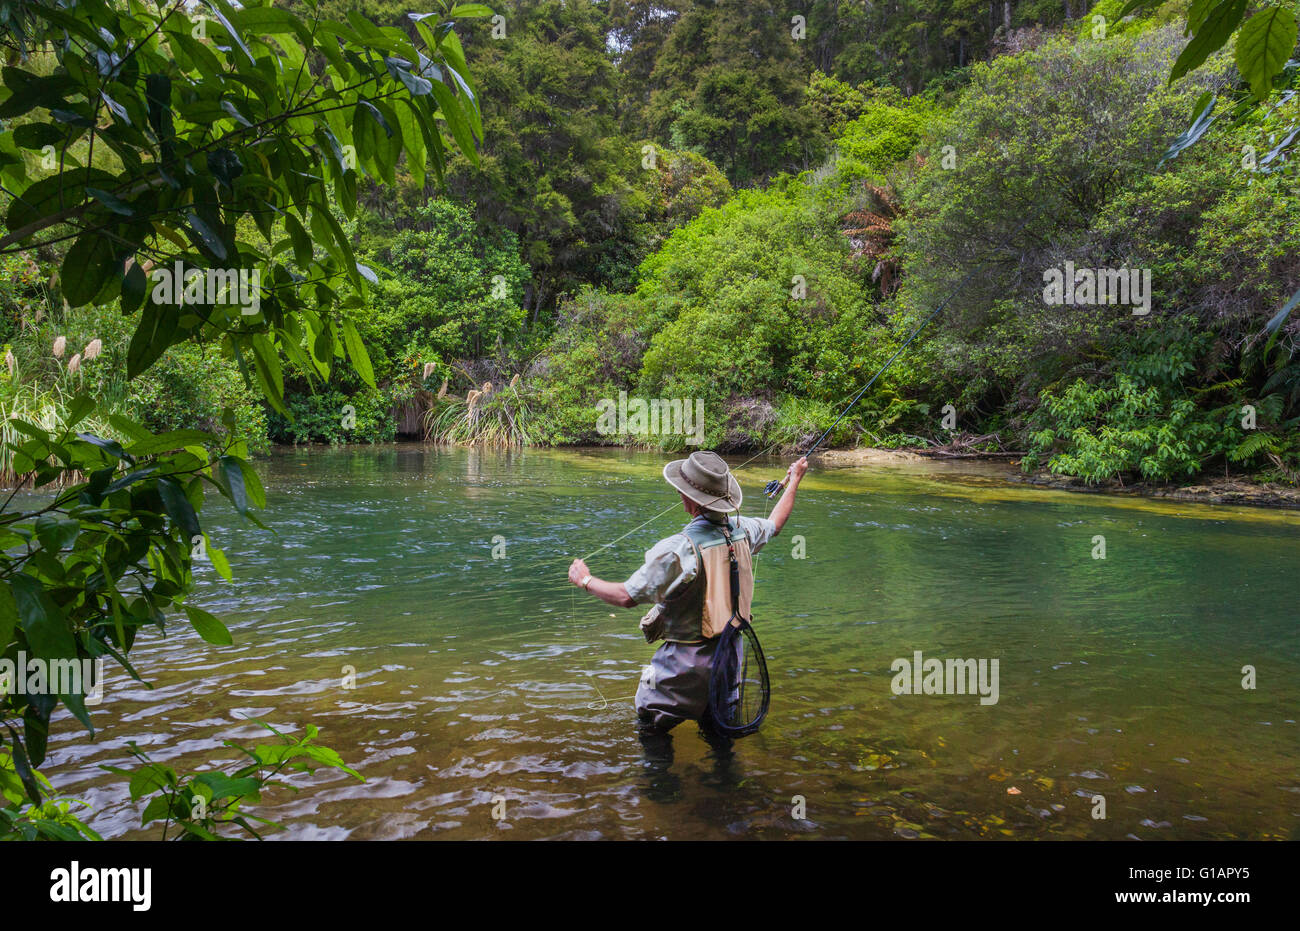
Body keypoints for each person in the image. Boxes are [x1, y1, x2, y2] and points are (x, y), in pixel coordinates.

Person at [568, 450, 808, 740]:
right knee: (719, 733)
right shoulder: (744, 531)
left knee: (651, 727)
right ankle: (723, 781)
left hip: (685, 664)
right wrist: (795, 479)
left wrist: (585, 580)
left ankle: (660, 783)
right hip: (730, 656)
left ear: (689, 499)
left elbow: (626, 596)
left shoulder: (677, 550)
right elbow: (775, 525)